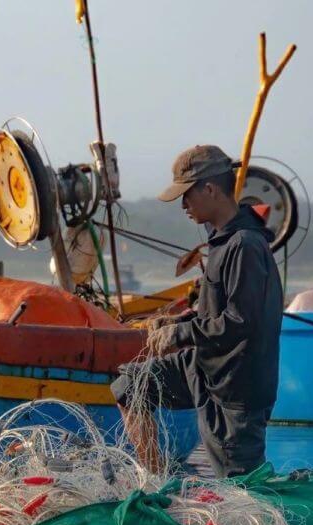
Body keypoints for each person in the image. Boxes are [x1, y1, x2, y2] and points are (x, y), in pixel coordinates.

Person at [111, 144, 283, 478]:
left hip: (237, 389)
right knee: (129, 385)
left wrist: (179, 334)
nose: (183, 205)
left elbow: (240, 323)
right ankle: (156, 483)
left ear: (209, 189)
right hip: (206, 368)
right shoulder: (220, 242)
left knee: (242, 491)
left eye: (186, 195)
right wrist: (175, 320)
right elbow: (214, 315)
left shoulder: (245, 246)